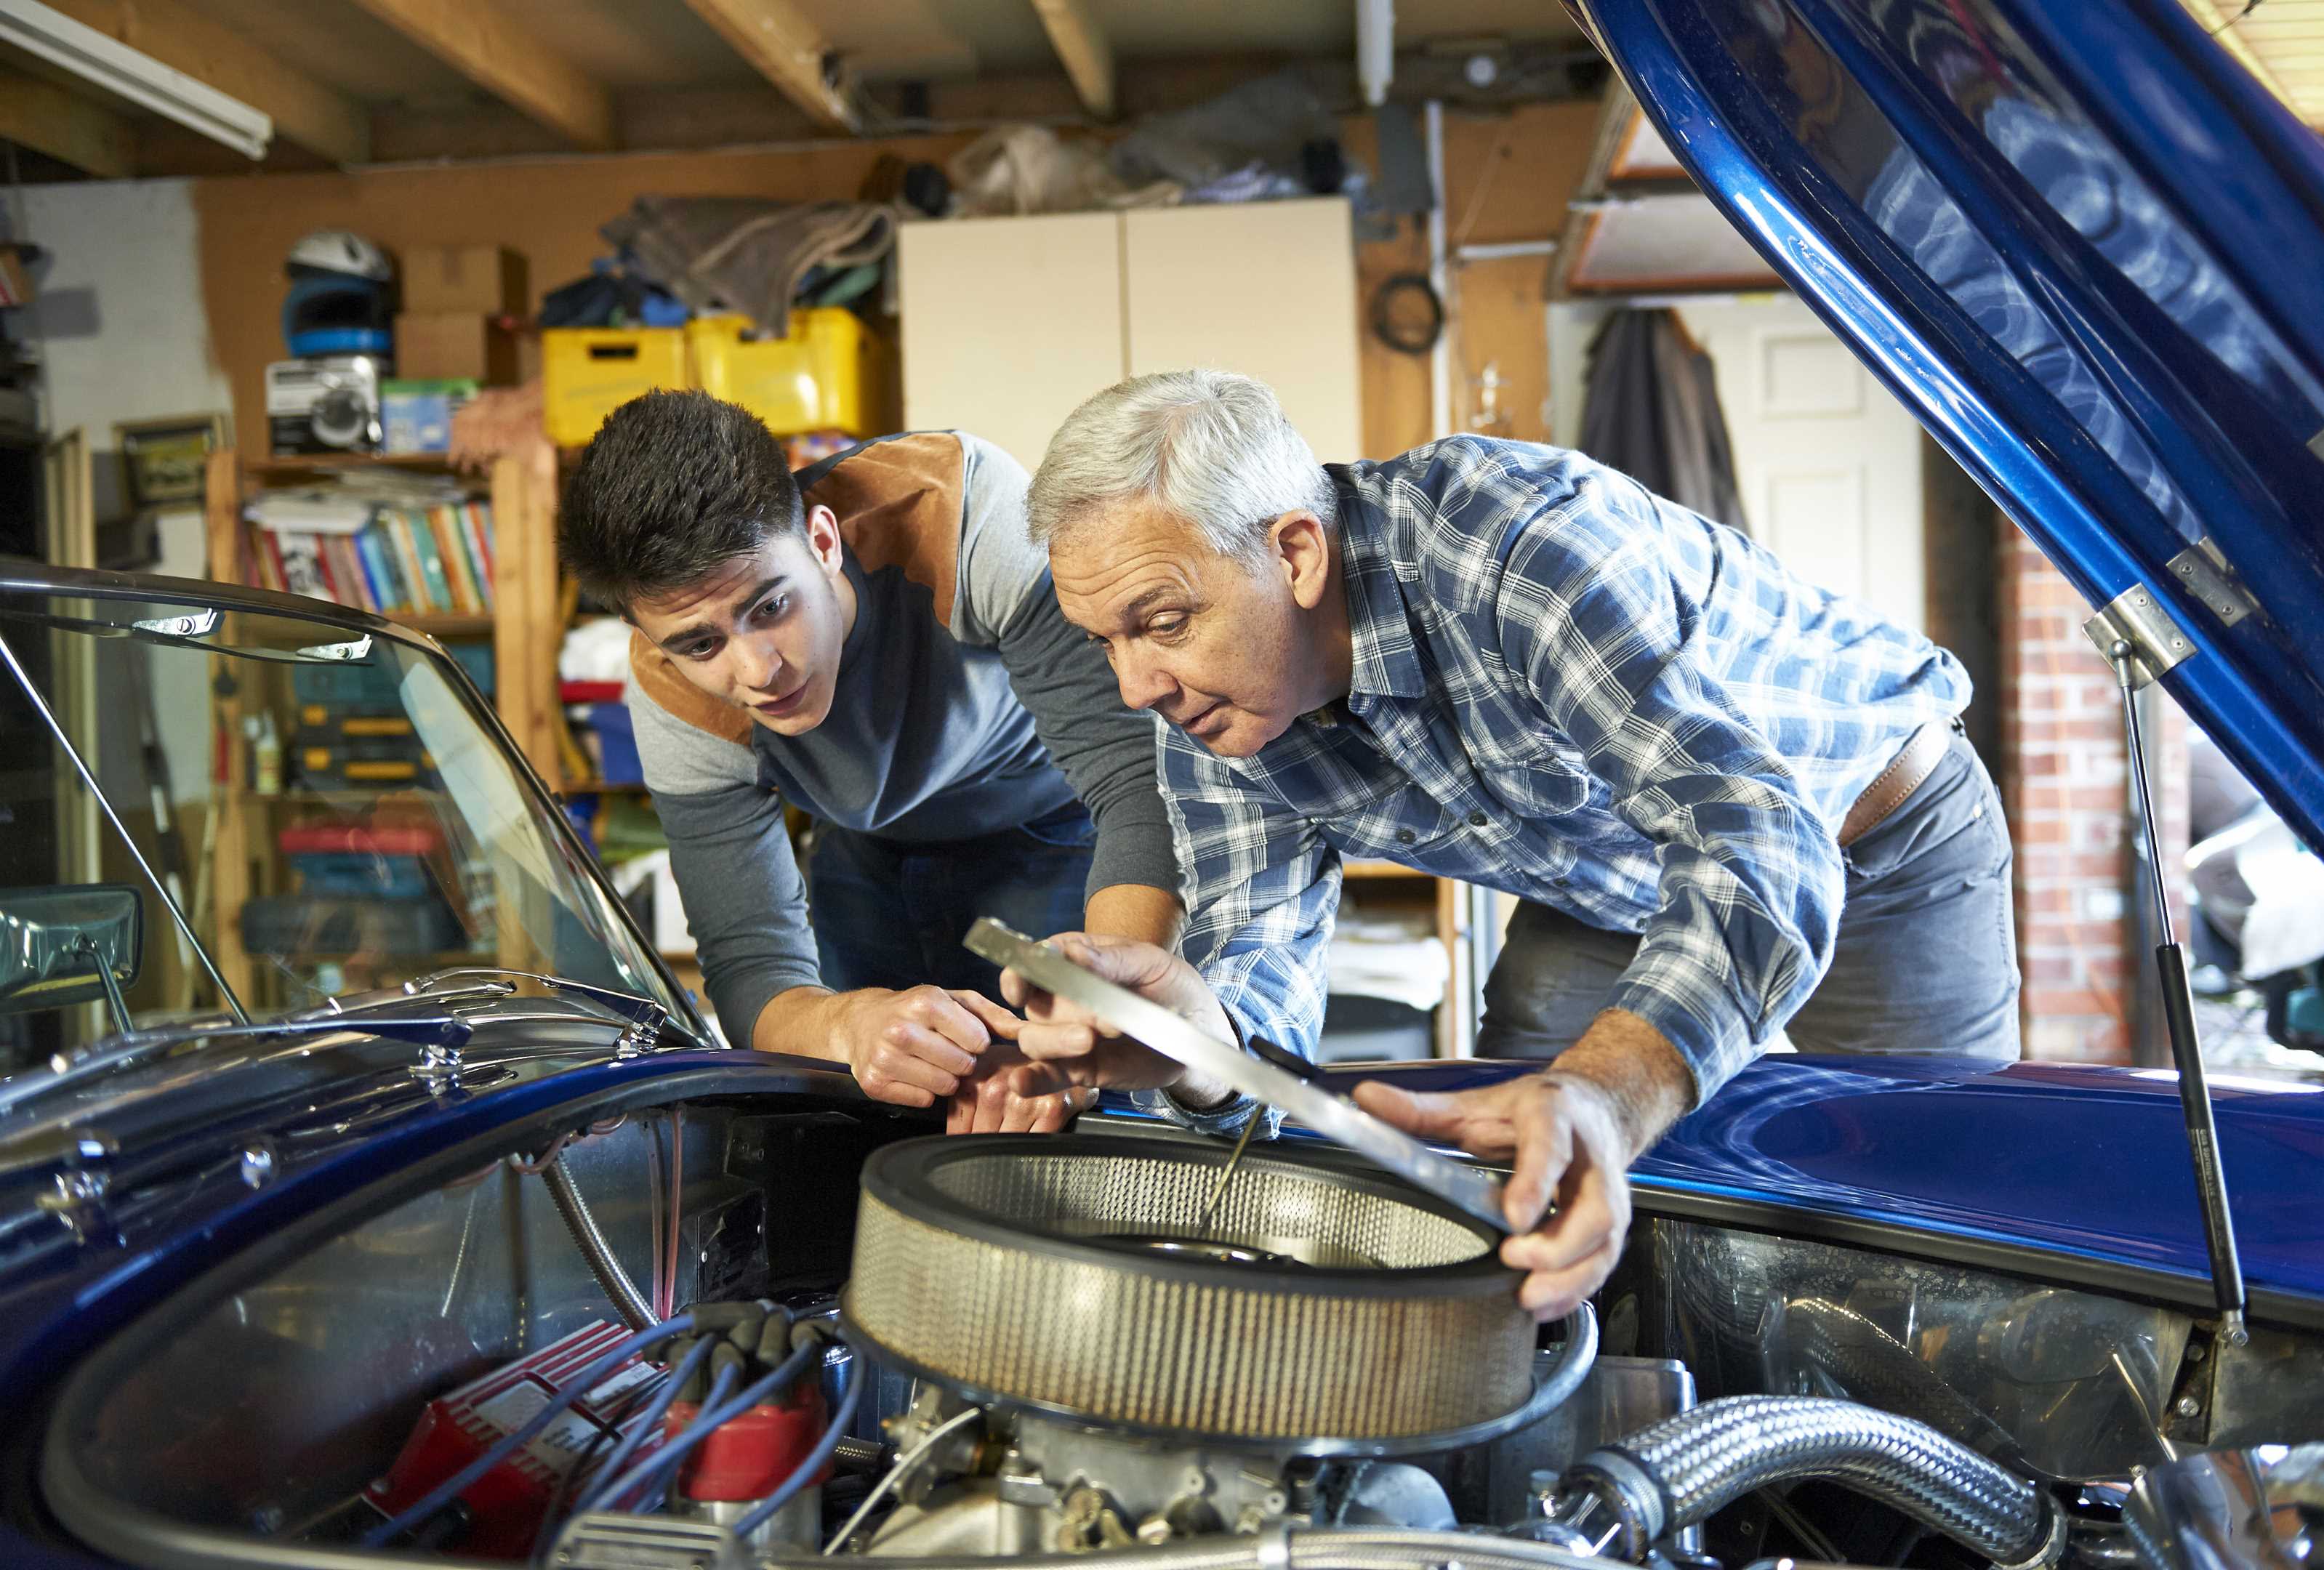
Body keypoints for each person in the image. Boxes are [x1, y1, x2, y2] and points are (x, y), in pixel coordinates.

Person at [996, 369, 2017, 1319]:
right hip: (1599, 881)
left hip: (1872, 831)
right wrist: (1191, 1039)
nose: (1136, 688)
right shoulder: (1218, 720)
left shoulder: (1516, 549)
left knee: (1940, 1217)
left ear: (1294, 553)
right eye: (1106, 644)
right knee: (1524, 1180)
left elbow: (1752, 837)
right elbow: (1258, 980)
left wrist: (1611, 1093)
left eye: (1163, 621)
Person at [560, 390, 1201, 1131]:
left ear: (823, 541)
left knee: (1083, 1120)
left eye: (771, 606)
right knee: (862, 1117)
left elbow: (1134, 782)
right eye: (702, 644)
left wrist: (1095, 1020)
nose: (759, 669)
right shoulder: (671, 694)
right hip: (865, 851)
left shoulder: (963, 513)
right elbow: (751, 964)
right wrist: (847, 1026)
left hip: (1053, 828)